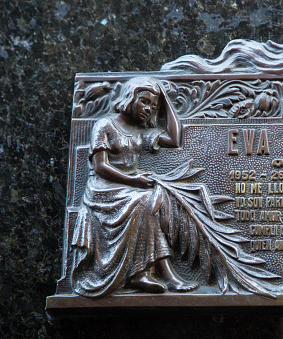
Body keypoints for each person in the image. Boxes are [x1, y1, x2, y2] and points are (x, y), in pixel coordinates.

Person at [71, 77, 198, 298]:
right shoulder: (105, 125)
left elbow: (174, 138)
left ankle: (151, 272)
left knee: (156, 198)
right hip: (103, 189)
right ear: (130, 98)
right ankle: (149, 274)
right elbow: (100, 167)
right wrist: (133, 181)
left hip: (129, 187)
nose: (148, 109)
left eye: (153, 106)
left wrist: (165, 100)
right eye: (145, 102)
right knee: (144, 201)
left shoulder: (139, 131)